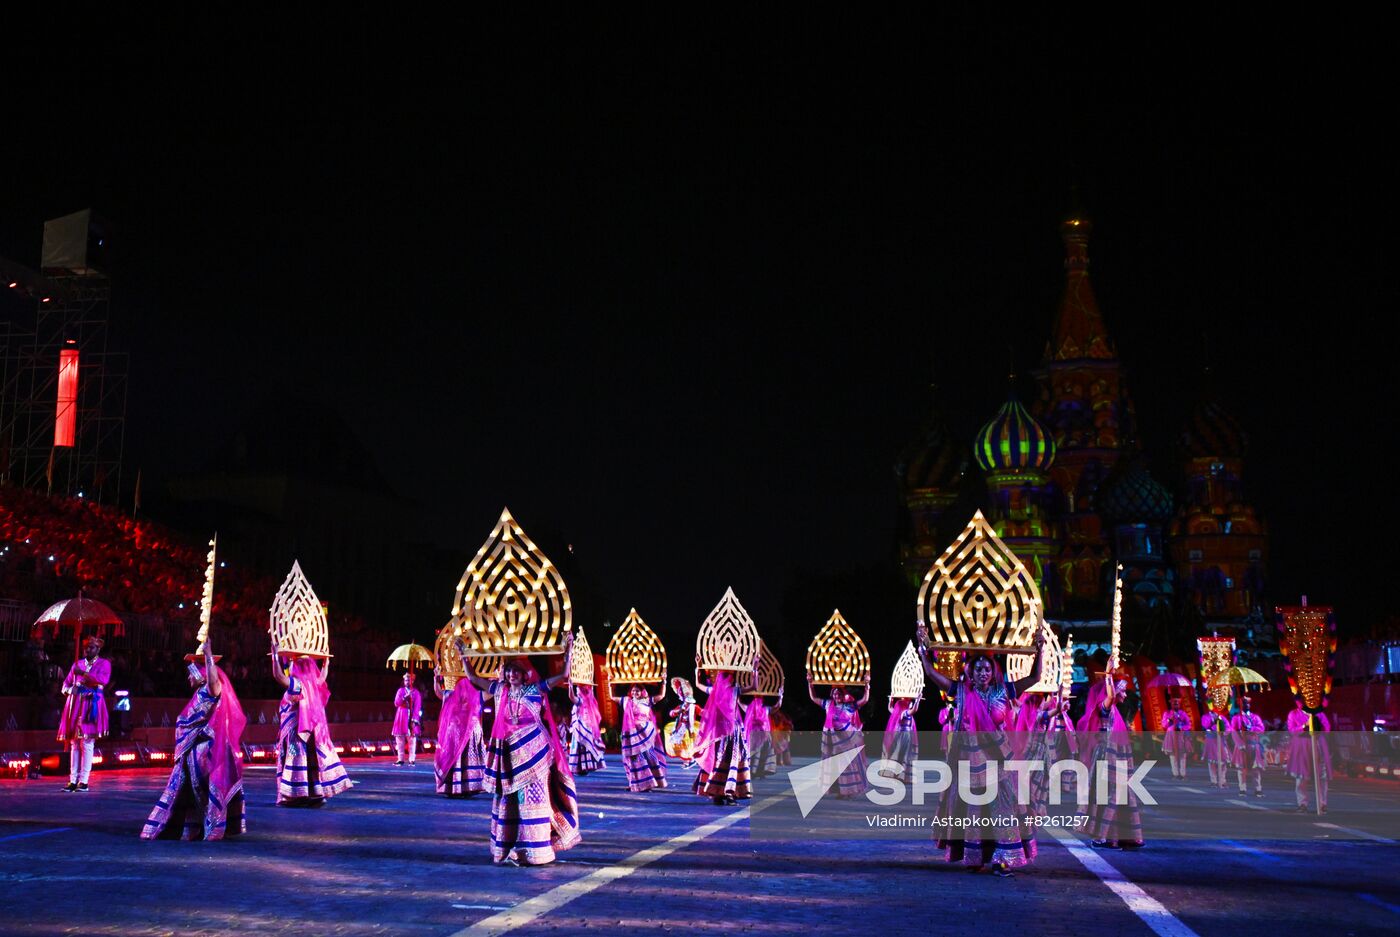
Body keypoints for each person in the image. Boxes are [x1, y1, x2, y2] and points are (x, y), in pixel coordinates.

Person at [917, 626, 1043, 875]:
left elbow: (1035, 678)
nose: (983, 672)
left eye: (987, 668)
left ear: (994, 670)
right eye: (978, 668)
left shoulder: (1004, 690)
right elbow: (931, 673)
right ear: (970, 671)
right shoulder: (961, 691)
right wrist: (924, 650)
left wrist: (1040, 649)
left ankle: (1002, 858)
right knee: (975, 809)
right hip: (969, 761)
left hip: (998, 761)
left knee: (1002, 808)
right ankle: (975, 856)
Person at [464, 638, 580, 866]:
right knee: (509, 802)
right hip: (508, 756)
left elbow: (563, 677)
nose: (511, 675)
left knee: (533, 800)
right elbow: (473, 679)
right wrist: (464, 656)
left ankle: (537, 852)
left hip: (535, 754)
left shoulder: (535, 689)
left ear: (525, 674)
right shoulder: (499, 690)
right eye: (508, 672)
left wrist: (569, 651)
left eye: (516, 672)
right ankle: (510, 849)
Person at [140, 636, 246, 841]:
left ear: (202, 673)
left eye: (192, 674)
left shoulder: (210, 690)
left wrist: (208, 656)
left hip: (205, 753)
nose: (189, 678)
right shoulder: (199, 693)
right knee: (186, 792)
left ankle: (211, 829)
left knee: (203, 794)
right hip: (193, 753)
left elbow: (214, 682)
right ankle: (189, 829)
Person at [271, 643, 351, 806]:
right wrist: (326, 663)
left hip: (296, 732)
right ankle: (315, 793)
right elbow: (323, 678)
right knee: (310, 760)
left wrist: (274, 657)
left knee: (295, 759)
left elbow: (279, 677)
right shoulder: (313, 684)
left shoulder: (298, 685)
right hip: (309, 731)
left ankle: (295, 794)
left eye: (294, 663)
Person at [1076, 674, 1144, 850]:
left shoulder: (1114, 712)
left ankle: (1118, 838)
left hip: (1116, 755)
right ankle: (1101, 838)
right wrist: (1108, 674)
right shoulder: (1104, 707)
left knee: (1120, 796)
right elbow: (1111, 696)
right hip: (1106, 755)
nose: (1125, 694)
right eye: (1122, 690)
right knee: (1107, 796)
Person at [692, 654, 759, 805]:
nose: (726, 679)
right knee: (718, 761)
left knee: (733, 760)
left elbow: (754, 686)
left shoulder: (736, 689)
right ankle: (717, 792)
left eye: (728, 676)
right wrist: (698, 668)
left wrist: (754, 667)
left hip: (734, 732)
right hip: (719, 733)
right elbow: (698, 685)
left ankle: (729, 792)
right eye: (723, 676)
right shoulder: (714, 691)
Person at [58, 636, 110, 793]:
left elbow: (103, 680)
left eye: (91, 647)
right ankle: (72, 780)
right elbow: (66, 683)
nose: (88, 650)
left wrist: (84, 675)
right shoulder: (77, 664)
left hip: (91, 703)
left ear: (98, 649)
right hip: (75, 704)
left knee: (86, 743)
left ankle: (84, 781)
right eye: (86, 647)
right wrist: (68, 690)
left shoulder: (104, 664)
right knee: (74, 743)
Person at [809, 674, 870, 798]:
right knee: (835, 766)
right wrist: (810, 683)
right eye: (835, 693)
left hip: (846, 740)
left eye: (839, 694)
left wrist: (867, 686)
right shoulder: (828, 704)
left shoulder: (849, 706)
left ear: (843, 695)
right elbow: (813, 698)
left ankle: (848, 791)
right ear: (832, 694)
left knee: (847, 766)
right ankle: (840, 791)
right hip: (833, 740)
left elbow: (864, 700)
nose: (837, 696)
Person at [433, 663, 487, 797]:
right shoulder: (453, 695)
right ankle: (459, 787)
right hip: (460, 732)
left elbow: (438, 693)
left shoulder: (472, 696)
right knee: (458, 759)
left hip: (466, 732)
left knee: (462, 759)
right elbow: (439, 692)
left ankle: (461, 788)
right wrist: (436, 677)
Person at [614, 679, 669, 792]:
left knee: (648, 756)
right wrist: (610, 684)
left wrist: (664, 682)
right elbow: (612, 697)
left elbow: (661, 695)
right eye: (633, 691)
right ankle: (635, 783)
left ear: (642, 691)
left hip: (645, 733)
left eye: (637, 691)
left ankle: (652, 782)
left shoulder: (647, 701)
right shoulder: (626, 701)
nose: (635, 693)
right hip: (632, 734)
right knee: (633, 759)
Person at [1285, 700, 1331, 813]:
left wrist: (1317, 726)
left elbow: (1327, 728)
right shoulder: (1293, 714)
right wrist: (1304, 726)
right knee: (1301, 778)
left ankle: (1322, 804)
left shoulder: (1319, 713)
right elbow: (1292, 731)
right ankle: (1302, 803)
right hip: (1302, 747)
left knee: (1322, 777)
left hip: (1318, 744)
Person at [567, 681, 607, 775]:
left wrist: (570, 686)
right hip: (586, 727)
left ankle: (582, 768)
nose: (577, 690)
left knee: (580, 746)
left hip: (581, 728)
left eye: (578, 688)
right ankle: (584, 767)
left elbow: (571, 697)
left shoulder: (581, 701)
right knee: (584, 747)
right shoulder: (589, 701)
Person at [881, 690, 920, 781]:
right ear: (904, 706)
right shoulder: (905, 713)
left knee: (899, 753)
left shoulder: (896, 713)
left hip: (900, 735)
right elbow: (914, 710)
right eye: (910, 703)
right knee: (902, 754)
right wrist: (917, 701)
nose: (911, 704)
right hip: (904, 736)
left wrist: (891, 700)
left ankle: (895, 774)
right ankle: (897, 775)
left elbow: (890, 708)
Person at [1231, 696, 1266, 797]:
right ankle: (1242, 789)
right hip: (1242, 746)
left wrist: (1252, 728)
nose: (1247, 705)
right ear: (1240, 705)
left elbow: (1261, 728)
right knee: (1242, 770)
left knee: (1256, 769)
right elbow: (1234, 732)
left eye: (1248, 703)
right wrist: (1240, 745)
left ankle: (1258, 789)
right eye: (1244, 703)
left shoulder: (1255, 717)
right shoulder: (1236, 718)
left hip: (1254, 745)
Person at [665, 677, 699, 765]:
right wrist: (677, 711)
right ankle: (688, 759)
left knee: (690, 742)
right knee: (680, 742)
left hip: (690, 726)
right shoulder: (681, 706)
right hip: (681, 726)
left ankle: (692, 759)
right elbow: (671, 713)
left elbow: (702, 713)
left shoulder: (693, 707)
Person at [392, 672, 423, 766]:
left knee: (412, 739)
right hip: (401, 716)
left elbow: (417, 707)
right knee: (400, 739)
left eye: (409, 680)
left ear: (412, 681)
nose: (407, 682)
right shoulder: (400, 691)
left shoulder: (416, 693)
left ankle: (412, 759)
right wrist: (404, 698)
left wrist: (414, 720)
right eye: (405, 680)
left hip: (411, 716)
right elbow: (396, 703)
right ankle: (400, 759)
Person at [743, 691, 777, 778]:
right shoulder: (749, 709)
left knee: (763, 753)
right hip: (754, 735)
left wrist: (781, 696)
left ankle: (760, 771)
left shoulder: (766, 709)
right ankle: (752, 772)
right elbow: (739, 702)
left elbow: (777, 707)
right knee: (754, 753)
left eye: (760, 697)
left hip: (764, 734)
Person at [1160, 696, 1193, 780]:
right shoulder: (1167, 713)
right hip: (1171, 736)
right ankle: (1175, 774)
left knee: (1182, 755)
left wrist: (1182, 727)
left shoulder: (1183, 713)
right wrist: (1169, 720)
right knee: (1173, 756)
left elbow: (1189, 724)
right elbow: (1164, 725)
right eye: (1174, 703)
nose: (1176, 704)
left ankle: (1183, 774)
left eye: (1177, 703)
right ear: (1171, 704)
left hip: (1181, 735)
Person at [1201, 705, 1230, 788]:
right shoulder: (1205, 717)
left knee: (1223, 762)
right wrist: (1213, 721)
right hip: (1211, 741)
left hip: (1221, 740)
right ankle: (1213, 781)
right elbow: (1205, 726)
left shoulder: (1222, 717)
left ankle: (1223, 780)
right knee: (1211, 762)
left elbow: (1228, 727)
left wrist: (1224, 731)